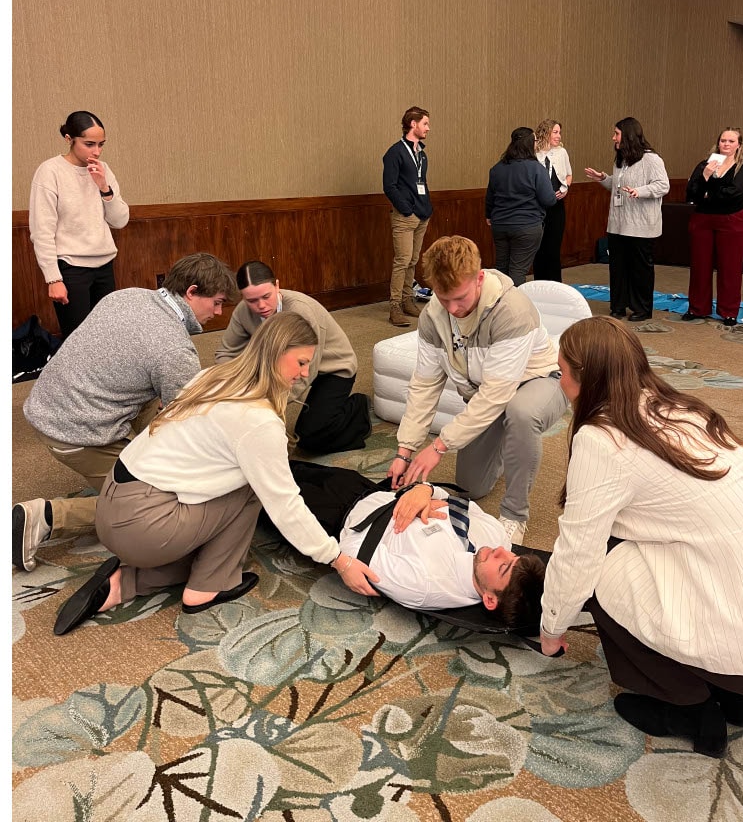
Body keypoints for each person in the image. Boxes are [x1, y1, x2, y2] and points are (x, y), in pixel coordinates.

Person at [52, 314, 381, 636]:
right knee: (253, 490)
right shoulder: (258, 421)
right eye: (301, 362)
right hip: (143, 524)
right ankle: (208, 587)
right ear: (275, 354)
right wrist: (339, 560)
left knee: (215, 531)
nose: (306, 374)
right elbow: (285, 505)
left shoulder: (213, 376)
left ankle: (124, 584)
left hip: (113, 505)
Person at [539, 316, 743, 758]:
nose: (560, 385)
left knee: (602, 569)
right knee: (659, 548)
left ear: (584, 380)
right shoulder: (685, 408)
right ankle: (732, 696)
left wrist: (551, 628)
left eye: (561, 374)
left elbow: (577, 555)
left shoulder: (603, 438)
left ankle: (689, 707)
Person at [13, 253, 238, 572]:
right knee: (157, 503)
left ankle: (134, 455)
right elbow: (191, 425)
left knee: (158, 391)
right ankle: (45, 518)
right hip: (74, 432)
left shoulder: (128, 295)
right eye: (216, 302)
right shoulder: (174, 350)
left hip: (45, 404)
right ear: (191, 292)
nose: (217, 313)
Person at [385, 235, 569, 547]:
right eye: (444, 300)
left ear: (479, 278)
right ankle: (508, 447)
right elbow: (426, 385)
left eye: (460, 298)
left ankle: (515, 515)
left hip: (541, 382)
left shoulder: (511, 311)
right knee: (471, 486)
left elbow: (497, 394)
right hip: (488, 395)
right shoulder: (433, 316)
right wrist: (406, 449)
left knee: (520, 414)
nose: (453, 309)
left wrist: (440, 446)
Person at [287, 461, 545, 622]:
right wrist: (425, 491)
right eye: (513, 558)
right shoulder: (498, 539)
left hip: (329, 515)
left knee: (260, 484)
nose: (502, 552)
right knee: (281, 459)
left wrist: (401, 506)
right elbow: (466, 505)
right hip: (368, 488)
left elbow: (352, 551)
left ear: (490, 599)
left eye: (503, 566)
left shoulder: (423, 584)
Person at [215, 261, 370, 453]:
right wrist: (230, 388)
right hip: (283, 366)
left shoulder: (300, 311)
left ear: (277, 286)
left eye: (266, 296)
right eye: (251, 301)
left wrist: (263, 405)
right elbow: (226, 353)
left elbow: (306, 372)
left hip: (331, 369)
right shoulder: (242, 311)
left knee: (309, 439)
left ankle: (358, 407)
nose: (261, 305)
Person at [29, 110, 130, 338]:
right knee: (78, 340)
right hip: (71, 268)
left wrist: (104, 187)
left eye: (101, 144)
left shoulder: (103, 169)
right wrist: (53, 278)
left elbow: (120, 221)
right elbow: (42, 231)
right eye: (89, 144)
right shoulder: (50, 171)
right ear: (69, 139)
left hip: (104, 264)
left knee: (106, 336)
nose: (96, 151)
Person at [584, 117, 669, 322]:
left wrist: (639, 191)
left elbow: (663, 185)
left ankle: (641, 308)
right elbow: (619, 184)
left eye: (616, 133)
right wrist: (603, 179)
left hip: (641, 225)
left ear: (629, 135)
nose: (613, 137)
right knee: (618, 267)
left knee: (640, 269)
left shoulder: (651, 159)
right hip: (618, 224)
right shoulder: (620, 159)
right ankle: (619, 305)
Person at [684, 128, 743, 327]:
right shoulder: (704, 165)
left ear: (738, 145)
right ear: (718, 143)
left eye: (731, 141)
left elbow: (734, 194)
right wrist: (705, 175)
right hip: (702, 220)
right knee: (700, 265)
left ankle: (729, 311)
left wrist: (706, 192)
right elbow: (691, 193)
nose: (726, 144)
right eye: (723, 140)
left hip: (731, 220)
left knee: (730, 267)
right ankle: (697, 308)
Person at [485, 127, 556, 287]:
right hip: (527, 225)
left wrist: (489, 215)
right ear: (530, 144)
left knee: (501, 269)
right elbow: (548, 199)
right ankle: (512, 307)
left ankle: (499, 305)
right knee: (518, 270)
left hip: (500, 225)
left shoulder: (497, 169)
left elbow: (490, 197)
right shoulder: (536, 169)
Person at [383, 106, 433, 327]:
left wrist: (425, 208)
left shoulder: (421, 153)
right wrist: (406, 208)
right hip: (405, 216)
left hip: (422, 214)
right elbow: (389, 186)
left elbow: (421, 183)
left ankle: (407, 299)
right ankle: (395, 306)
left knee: (413, 260)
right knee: (402, 261)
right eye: (425, 124)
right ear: (413, 124)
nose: (428, 128)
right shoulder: (395, 152)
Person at [532, 119, 572, 282]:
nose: (558, 136)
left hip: (556, 206)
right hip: (537, 207)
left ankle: (555, 285)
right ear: (545, 133)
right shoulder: (534, 153)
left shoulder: (562, 152)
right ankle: (539, 283)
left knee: (553, 247)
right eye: (555, 132)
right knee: (539, 248)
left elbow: (569, 175)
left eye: (559, 132)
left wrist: (566, 188)